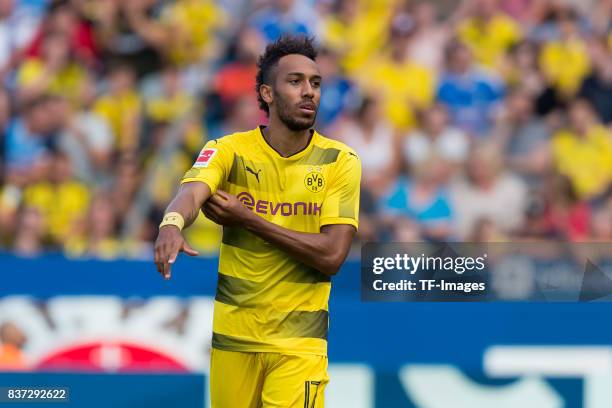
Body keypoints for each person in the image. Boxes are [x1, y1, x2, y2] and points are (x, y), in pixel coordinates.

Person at [154, 35, 360, 408]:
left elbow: (332, 255)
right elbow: (192, 192)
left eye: (315, 83)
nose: (309, 92)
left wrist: (248, 219)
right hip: (233, 341)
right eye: (295, 82)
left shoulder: (340, 162)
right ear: (267, 93)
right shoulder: (228, 149)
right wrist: (171, 223)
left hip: (299, 346)